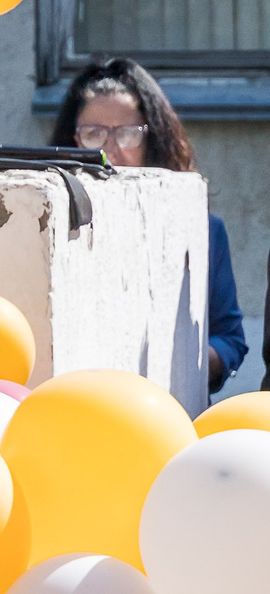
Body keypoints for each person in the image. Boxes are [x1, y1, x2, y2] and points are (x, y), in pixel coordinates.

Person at [51, 56, 248, 394]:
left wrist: (185, 361)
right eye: (93, 134)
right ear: (73, 140)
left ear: (152, 138)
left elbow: (230, 339)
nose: (109, 152)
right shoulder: (54, 227)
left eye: (128, 134)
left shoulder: (203, 229)